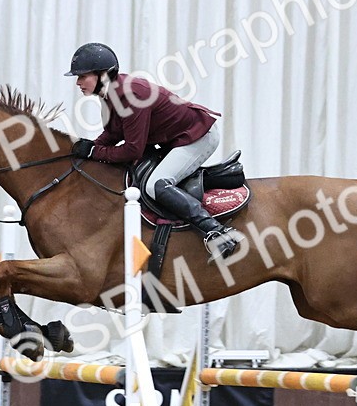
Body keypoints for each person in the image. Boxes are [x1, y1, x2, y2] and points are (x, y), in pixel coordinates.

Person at [65, 42, 241, 262]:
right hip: (175, 140)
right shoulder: (108, 93)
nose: (78, 82)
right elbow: (112, 133)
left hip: (198, 136)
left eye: (82, 76)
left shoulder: (131, 95)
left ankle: (217, 232)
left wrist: (94, 153)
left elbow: (132, 150)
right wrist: (89, 147)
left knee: (156, 184)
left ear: (102, 75)